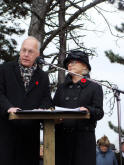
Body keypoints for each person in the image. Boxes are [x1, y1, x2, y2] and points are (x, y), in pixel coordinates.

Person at [0, 36, 53, 165]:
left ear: (38, 54)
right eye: (23, 50)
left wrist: (42, 109)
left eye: (30, 51)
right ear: (20, 51)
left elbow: (47, 99)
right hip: (6, 134)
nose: (26, 54)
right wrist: (8, 108)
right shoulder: (5, 69)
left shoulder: (43, 76)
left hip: (30, 137)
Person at [53, 50, 104, 165]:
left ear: (84, 65)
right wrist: (54, 118)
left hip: (83, 141)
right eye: (68, 63)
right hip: (62, 141)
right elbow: (53, 108)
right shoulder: (61, 88)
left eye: (74, 61)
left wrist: (88, 110)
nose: (70, 64)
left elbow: (99, 112)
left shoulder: (95, 87)